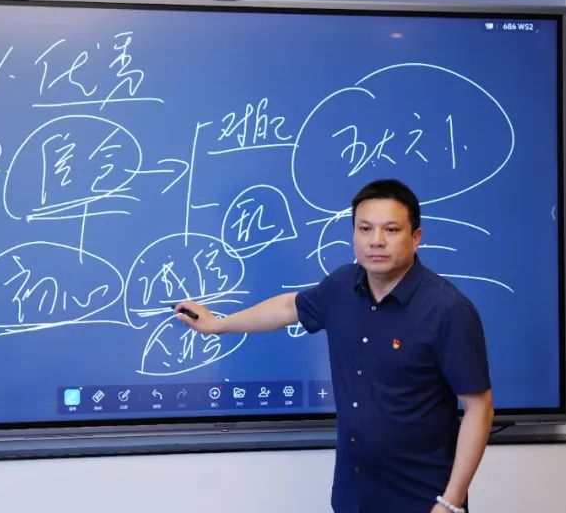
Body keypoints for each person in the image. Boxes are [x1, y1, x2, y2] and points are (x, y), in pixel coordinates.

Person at [175, 179, 493, 513]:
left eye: (391, 230)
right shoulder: (342, 286)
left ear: (416, 238)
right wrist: (217, 325)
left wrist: (450, 502)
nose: (376, 241)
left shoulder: (448, 311)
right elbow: (288, 307)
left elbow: (479, 409)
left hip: (422, 499)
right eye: (365, 229)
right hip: (353, 496)